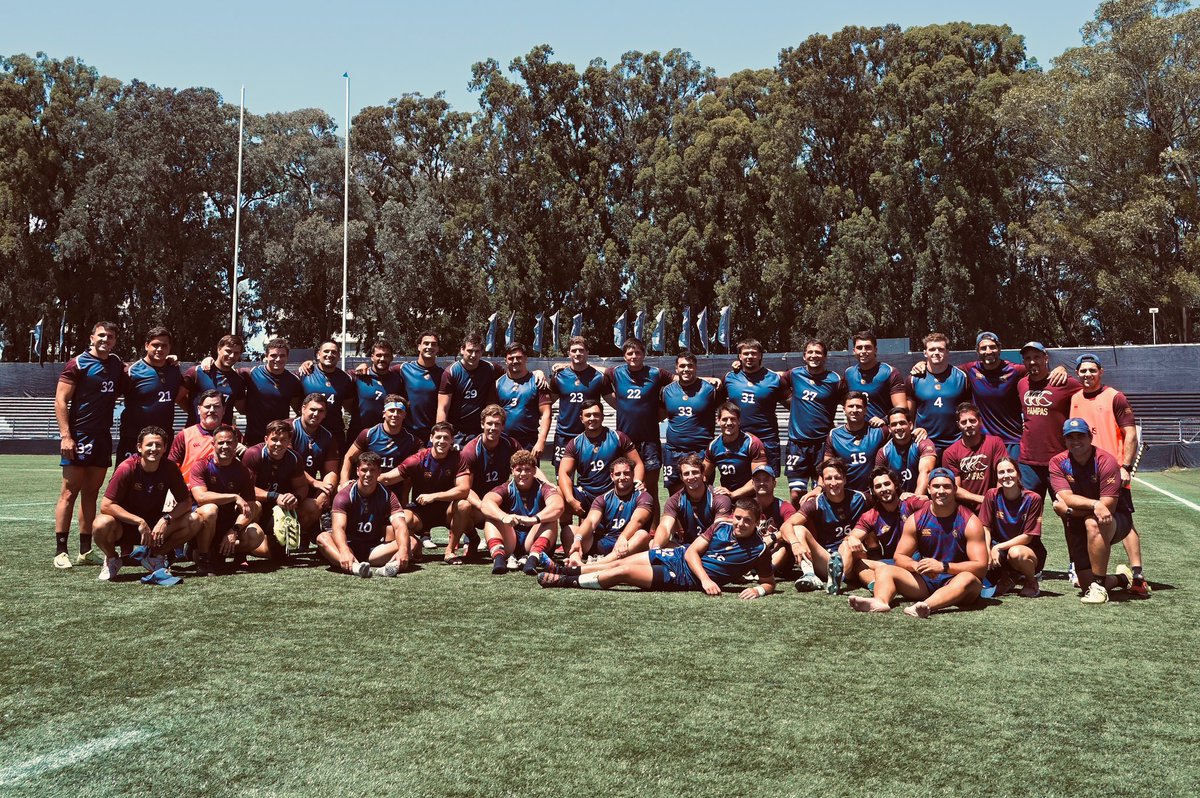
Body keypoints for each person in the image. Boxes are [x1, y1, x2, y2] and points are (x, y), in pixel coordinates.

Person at [537, 498, 778, 600]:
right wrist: (707, 580)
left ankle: (563, 582)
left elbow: (769, 582)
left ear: (756, 522)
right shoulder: (721, 527)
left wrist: (759, 591)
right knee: (617, 562)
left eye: (747, 520)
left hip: (683, 577)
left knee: (623, 572)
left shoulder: (759, 549)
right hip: (679, 556)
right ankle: (564, 570)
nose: (740, 523)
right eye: (738, 517)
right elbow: (692, 551)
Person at [848, 467, 988, 618]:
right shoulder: (916, 519)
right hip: (927, 580)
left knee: (969, 579)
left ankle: (926, 606)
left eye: (946, 486)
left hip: (957, 579)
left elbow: (980, 567)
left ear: (955, 489)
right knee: (884, 570)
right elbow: (900, 556)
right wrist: (917, 566)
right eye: (936, 486)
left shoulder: (970, 521)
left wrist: (943, 567)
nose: (941, 491)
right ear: (928, 489)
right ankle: (880, 601)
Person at [1069, 352, 1149, 596]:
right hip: (1084, 474)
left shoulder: (1115, 396)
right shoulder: (1074, 398)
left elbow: (1131, 434)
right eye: (1083, 371)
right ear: (1078, 374)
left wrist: (1124, 466)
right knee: (1082, 518)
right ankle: (1085, 568)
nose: (1087, 375)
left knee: (1125, 521)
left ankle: (1137, 575)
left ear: (1100, 372)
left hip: (1112, 473)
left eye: (1092, 370)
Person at [53, 321, 125, 568]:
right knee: (69, 492)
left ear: (115, 340)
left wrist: (169, 359)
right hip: (79, 435)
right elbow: (61, 400)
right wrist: (66, 435)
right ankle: (60, 550)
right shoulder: (78, 363)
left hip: (102, 437)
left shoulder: (116, 364)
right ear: (92, 337)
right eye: (102, 335)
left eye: (111, 336)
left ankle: (85, 550)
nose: (106, 339)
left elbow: (137, 370)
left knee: (91, 494)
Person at [93, 426, 203, 582]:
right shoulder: (126, 468)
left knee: (195, 520)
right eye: (149, 444)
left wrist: (166, 519)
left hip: (156, 528)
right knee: (101, 524)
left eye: (158, 445)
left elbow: (186, 502)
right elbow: (106, 505)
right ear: (139, 447)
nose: (154, 449)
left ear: (165, 448)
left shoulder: (170, 468)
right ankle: (112, 559)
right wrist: (139, 521)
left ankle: (155, 556)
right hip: (125, 526)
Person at [1049, 418, 1137, 605]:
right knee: (1084, 585)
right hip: (1082, 519)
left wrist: (1071, 512)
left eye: (1080, 436)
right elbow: (1065, 497)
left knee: (1093, 522)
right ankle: (1121, 578)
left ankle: (1099, 586)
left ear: (1090, 437)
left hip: (1115, 520)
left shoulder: (1106, 461)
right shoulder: (1057, 462)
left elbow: (1107, 508)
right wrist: (1094, 504)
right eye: (1070, 437)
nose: (1076, 441)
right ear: (1064, 441)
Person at [602, 336, 674, 512]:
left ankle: (653, 533)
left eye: (637, 353)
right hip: (625, 442)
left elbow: (681, 379)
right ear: (624, 356)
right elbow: (592, 369)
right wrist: (619, 406)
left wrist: (661, 411)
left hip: (649, 441)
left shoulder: (656, 374)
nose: (634, 356)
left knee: (649, 491)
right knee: (623, 489)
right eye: (630, 353)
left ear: (644, 354)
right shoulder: (616, 372)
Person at [318, 451, 414, 577]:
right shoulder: (344, 495)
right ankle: (355, 568)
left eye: (372, 470)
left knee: (411, 542)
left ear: (379, 472)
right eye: (364, 470)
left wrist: (403, 550)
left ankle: (390, 568)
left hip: (373, 549)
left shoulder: (388, 495)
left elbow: (400, 526)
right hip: (348, 545)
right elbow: (338, 528)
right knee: (322, 538)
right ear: (357, 471)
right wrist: (345, 551)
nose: (368, 474)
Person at [779, 457, 868, 593]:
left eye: (837, 478)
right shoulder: (816, 503)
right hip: (828, 560)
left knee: (849, 541)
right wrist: (795, 544)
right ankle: (810, 574)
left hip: (856, 558)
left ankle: (839, 577)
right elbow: (786, 525)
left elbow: (886, 503)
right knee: (797, 529)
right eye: (829, 478)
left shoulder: (861, 498)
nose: (833, 483)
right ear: (822, 481)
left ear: (844, 479)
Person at [189, 424, 266, 575]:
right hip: (203, 524)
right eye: (221, 443)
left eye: (229, 442)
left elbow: (250, 506)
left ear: (236, 444)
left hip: (227, 522)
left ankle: (222, 552)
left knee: (256, 535)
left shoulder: (243, 471)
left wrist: (234, 530)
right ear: (213, 444)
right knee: (211, 509)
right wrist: (234, 496)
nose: (225, 446)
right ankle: (204, 558)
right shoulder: (201, 465)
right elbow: (201, 497)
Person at [453, 404, 527, 558]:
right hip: (478, 503)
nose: (493, 428)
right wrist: (484, 506)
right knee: (462, 506)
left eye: (497, 424)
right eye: (489, 423)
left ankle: (523, 542)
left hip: (503, 500)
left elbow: (528, 467)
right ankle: (472, 538)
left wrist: (548, 484)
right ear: (482, 424)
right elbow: (465, 488)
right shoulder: (470, 450)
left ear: (503, 426)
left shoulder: (511, 444)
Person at [556, 400, 643, 528]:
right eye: (588, 415)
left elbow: (638, 464)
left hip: (613, 493)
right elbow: (564, 473)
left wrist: (637, 482)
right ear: (581, 418)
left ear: (602, 416)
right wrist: (570, 499)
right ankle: (567, 532)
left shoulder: (618, 437)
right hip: (586, 494)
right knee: (559, 492)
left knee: (642, 493)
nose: (592, 418)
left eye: (596, 414)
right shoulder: (575, 443)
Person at [394, 422, 471, 563]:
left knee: (464, 505)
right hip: (420, 511)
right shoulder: (417, 459)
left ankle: (450, 550)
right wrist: (357, 482)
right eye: (438, 437)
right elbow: (388, 478)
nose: (442, 441)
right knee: (401, 518)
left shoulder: (458, 458)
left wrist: (434, 496)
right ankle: (415, 545)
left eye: (446, 438)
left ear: (452, 440)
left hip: (446, 510)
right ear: (431, 438)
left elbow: (464, 489)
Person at [842, 468, 929, 590]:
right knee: (858, 564)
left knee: (882, 568)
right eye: (878, 486)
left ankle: (887, 580)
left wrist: (923, 497)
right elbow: (853, 535)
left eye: (887, 484)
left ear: (896, 485)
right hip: (893, 562)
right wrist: (852, 538)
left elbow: (934, 508)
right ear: (873, 491)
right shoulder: (871, 515)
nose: (883, 489)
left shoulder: (910, 503)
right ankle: (875, 585)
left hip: (918, 560)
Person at [1017, 341, 1083, 502]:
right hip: (1028, 461)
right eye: (1028, 358)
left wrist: (1062, 368)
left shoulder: (1065, 382)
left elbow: (1089, 393)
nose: (1032, 361)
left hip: (1058, 459)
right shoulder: (1021, 384)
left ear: (1046, 358)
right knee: (1028, 513)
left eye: (1037, 356)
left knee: (1068, 510)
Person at [481, 450, 564, 574]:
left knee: (551, 519)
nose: (523, 474)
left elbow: (558, 506)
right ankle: (498, 559)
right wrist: (504, 517)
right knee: (492, 517)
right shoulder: (506, 488)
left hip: (533, 539)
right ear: (512, 471)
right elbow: (486, 503)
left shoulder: (543, 488)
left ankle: (533, 560)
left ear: (534, 471)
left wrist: (534, 519)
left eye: (527, 470)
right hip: (511, 539)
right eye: (519, 469)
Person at [563, 457, 654, 567]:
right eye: (618, 474)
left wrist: (623, 538)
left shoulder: (643, 496)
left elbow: (637, 521)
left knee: (642, 535)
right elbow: (591, 522)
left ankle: (595, 566)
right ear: (612, 476)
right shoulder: (603, 498)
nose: (622, 477)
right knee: (569, 531)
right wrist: (578, 539)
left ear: (633, 475)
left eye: (626, 473)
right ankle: (575, 560)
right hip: (606, 541)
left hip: (629, 543)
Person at [784, 338, 846, 501]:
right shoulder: (794, 374)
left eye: (818, 352)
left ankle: (819, 526)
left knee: (821, 492)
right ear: (804, 356)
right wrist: (791, 403)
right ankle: (798, 525)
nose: (814, 355)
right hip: (797, 443)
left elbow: (848, 402)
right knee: (796, 494)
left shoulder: (835, 380)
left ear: (825, 357)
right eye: (810, 352)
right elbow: (778, 386)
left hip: (823, 444)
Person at [978, 458, 1045, 598]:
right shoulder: (991, 495)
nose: (1006, 475)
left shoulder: (1033, 498)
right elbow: (985, 527)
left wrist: (997, 547)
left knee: (1015, 553)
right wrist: (987, 550)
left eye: (1010, 471)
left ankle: (1031, 581)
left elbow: (1028, 536)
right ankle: (1007, 578)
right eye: (1001, 472)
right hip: (999, 551)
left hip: (1026, 550)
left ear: (1018, 474)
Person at [241, 419, 308, 556]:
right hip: (257, 506)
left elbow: (302, 486)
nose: (278, 444)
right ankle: (241, 542)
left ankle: (298, 538)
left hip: (280, 507)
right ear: (266, 439)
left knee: (277, 554)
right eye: (274, 439)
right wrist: (275, 496)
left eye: (283, 440)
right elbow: (246, 489)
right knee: (255, 505)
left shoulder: (294, 458)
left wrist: (295, 497)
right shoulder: (253, 454)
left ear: (289, 440)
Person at [116, 326, 183, 462]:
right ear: (147, 346)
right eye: (155, 345)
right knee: (127, 479)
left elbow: (183, 397)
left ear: (169, 348)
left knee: (162, 481)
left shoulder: (174, 371)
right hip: (134, 438)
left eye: (164, 345)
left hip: (163, 439)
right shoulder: (131, 371)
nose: (159, 349)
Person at [724, 338, 788, 473]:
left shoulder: (774, 379)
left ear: (760, 356)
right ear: (739, 356)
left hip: (767, 440)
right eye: (746, 353)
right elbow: (712, 402)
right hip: (738, 440)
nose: (749, 357)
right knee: (737, 484)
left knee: (765, 485)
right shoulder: (729, 378)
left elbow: (794, 404)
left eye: (753, 353)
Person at [661, 350, 721, 493]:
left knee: (701, 492)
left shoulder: (710, 390)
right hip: (673, 451)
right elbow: (660, 414)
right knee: (676, 495)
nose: (686, 369)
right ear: (676, 369)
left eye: (690, 366)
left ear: (695, 368)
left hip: (701, 451)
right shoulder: (666, 391)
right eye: (682, 366)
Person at [906, 332, 970, 454]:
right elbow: (909, 414)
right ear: (925, 353)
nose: (936, 352)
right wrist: (914, 430)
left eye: (941, 349)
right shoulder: (914, 379)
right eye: (932, 349)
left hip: (956, 441)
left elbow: (968, 409)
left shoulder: (962, 377)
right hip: (925, 440)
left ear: (947, 352)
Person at [548, 336, 606, 469]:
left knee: (590, 479)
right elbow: (547, 402)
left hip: (590, 435)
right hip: (564, 434)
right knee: (562, 477)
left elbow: (614, 402)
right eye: (574, 350)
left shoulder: (598, 377)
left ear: (587, 352)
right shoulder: (559, 376)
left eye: (581, 350)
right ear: (569, 353)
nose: (577, 353)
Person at [654, 454, 733, 549]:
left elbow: (720, 532)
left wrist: (694, 552)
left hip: (712, 546)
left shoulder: (719, 499)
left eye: (695, 472)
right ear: (681, 477)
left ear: (703, 474)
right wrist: (656, 547)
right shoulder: (675, 500)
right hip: (685, 547)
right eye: (686, 474)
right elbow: (665, 527)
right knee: (653, 544)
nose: (691, 477)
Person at [340, 395, 420, 487]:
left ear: (404, 415)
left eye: (399, 411)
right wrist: (344, 483)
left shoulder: (412, 440)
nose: (395, 414)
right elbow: (349, 457)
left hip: (394, 491)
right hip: (368, 489)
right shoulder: (368, 434)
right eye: (391, 410)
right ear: (384, 413)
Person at [941, 402, 1008, 511]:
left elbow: (1003, 474)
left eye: (972, 420)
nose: (968, 425)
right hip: (965, 510)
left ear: (980, 421)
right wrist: (984, 499)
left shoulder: (995, 443)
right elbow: (954, 489)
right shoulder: (950, 453)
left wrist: (996, 500)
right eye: (964, 422)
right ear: (958, 425)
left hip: (994, 506)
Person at [438, 332, 501, 448]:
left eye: (477, 351)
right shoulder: (451, 372)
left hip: (481, 432)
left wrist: (537, 373)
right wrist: (442, 434)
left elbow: (514, 375)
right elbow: (443, 408)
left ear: (482, 352)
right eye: (470, 351)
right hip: (457, 432)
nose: (473, 355)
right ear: (462, 350)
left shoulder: (491, 368)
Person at [290, 393, 340, 539]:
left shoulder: (328, 437)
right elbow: (290, 464)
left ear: (325, 415)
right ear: (303, 408)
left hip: (305, 489)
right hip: (283, 487)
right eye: (312, 409)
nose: (316, 414)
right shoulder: (288, 429)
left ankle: (305, 533)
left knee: (315, 504)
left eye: (320, 411)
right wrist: (315, 482)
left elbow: (331, 471)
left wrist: (326, 491)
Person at [238, 337, 304, 446]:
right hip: (253, 439)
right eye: (273, 355)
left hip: (279, 440)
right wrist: (208, 361)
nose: (278, 359)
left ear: (287, 357)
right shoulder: (251, 374)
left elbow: (299, 410)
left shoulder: (293, 381)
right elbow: (225, 371)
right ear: (266, 356)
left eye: (282, 356)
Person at [495, 341, 553, 457]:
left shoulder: (537, 382)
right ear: (505, 360)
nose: (515, 361)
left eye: (519, 357)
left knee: (527, 475)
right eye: (511, 358)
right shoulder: (498, 383)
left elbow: (546, 413)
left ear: (526, 358)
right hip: (503, 442)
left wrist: (541, 441)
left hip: (529, 442)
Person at [298, 340, 356, 454]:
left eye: (334, 352)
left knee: (335, 470)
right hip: (307, 433)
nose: (330, 355)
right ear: (318, 354)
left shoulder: (346, 379)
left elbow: (349, 406)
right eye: (326, 351)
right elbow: (295, 403)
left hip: (334, 433)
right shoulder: (305, 374)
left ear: (339, 356)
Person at [822, 391, 886, 494]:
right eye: (851, 406)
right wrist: (820, 487)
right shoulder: (834, 435)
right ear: (844, 410)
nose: (855, 410)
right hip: (846, 494)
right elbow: (827, 467)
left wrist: (920, 431)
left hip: (873, 494)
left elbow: (901, 432)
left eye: (859, 406)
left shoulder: (879, 431)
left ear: (865, 410)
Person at [704, 402, 768, 501]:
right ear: (718, 421)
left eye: (733, 419)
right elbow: (703, 475)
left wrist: (733, 494)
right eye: (725, 419)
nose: (729, 423)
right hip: (726, 497)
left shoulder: (753, 443)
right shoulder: (714, 446)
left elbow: (760, 480)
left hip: (751, 497)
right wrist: (710, 491)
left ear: (739, 421)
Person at [179, 334, 245, 426]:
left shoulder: (238, 380)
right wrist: (193, 411)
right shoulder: (197, 372)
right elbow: (178, 398)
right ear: (219, 349)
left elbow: (242, 409)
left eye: (236, 353)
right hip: (196, 434)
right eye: (228, 351)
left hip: (223, 436)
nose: (232, 356)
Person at [844, 330, 907, 426]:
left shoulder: (890, 372)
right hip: (856, 431)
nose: (863, 351)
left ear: (875, 350)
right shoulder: (849, 373)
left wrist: (885, 420)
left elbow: (901, 407)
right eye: (859, 348)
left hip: (881, 431)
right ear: (854, 351)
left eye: (868, 347)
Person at [347, 340, 405, 443]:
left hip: (385, 438)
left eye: (386, 355)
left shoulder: (398, 380)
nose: (382, 359)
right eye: (379, 355)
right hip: (357, 435)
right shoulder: (358, 376)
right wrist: (309, 363)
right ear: (372, 356)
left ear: (392, 357)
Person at [168, 390, 227, 486]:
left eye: (216, 406)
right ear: (199, 409)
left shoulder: (232, 433)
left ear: (224, 410)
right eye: (207, 406)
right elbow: (171, 467)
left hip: (223, 492)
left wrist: (244, 450)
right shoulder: (185, 435)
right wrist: (171, 489)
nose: (212, 410)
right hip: (188, 492)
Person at [874, 406, 936, 497]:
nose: (898, 427)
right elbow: (879, 479)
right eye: (894, 424)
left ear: (910, 425)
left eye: (902, 423)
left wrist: (914, 500)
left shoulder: (922, 443)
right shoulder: (883, 451)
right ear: (890, 429)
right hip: (896, 500)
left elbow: (926, 472)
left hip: (921, 499)